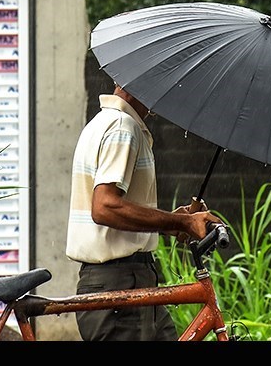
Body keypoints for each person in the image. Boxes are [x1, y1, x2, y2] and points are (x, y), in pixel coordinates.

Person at [65, 83, 221, 341]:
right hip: (121, 283)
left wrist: (171, 223)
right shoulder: (122, 128)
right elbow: (105, 207)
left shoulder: (101, 123)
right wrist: (182, 222)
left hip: (129, 280)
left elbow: (114, 209)